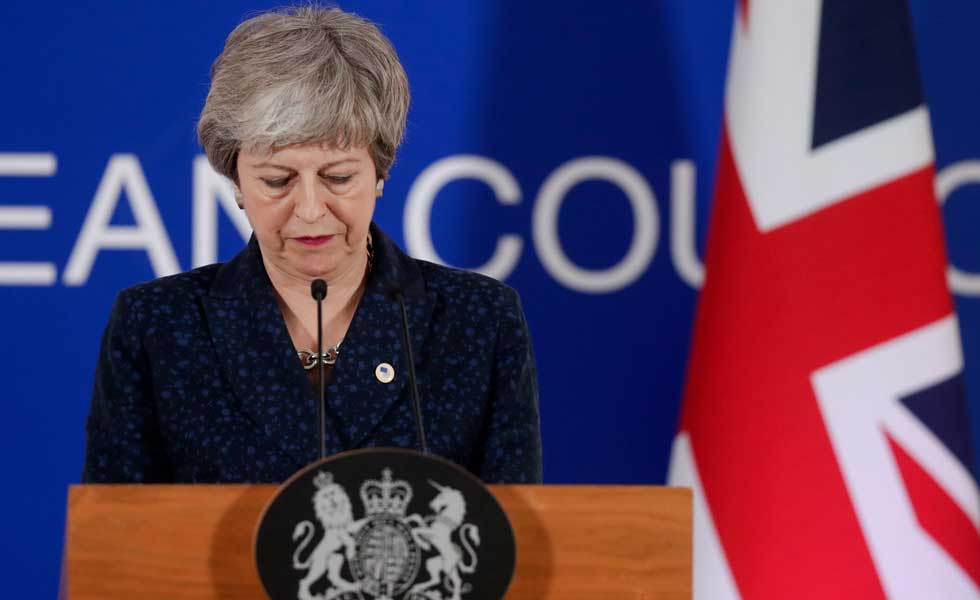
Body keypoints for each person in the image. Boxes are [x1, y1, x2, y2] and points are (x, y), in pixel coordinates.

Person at [81, 6, 541, 484]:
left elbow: (512, 522)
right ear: (236, 181)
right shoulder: (157, 326)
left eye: (337, 177)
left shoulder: (478, 320)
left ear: (379, 172)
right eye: (277, 181)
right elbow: (115, 524)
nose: (310, 210)